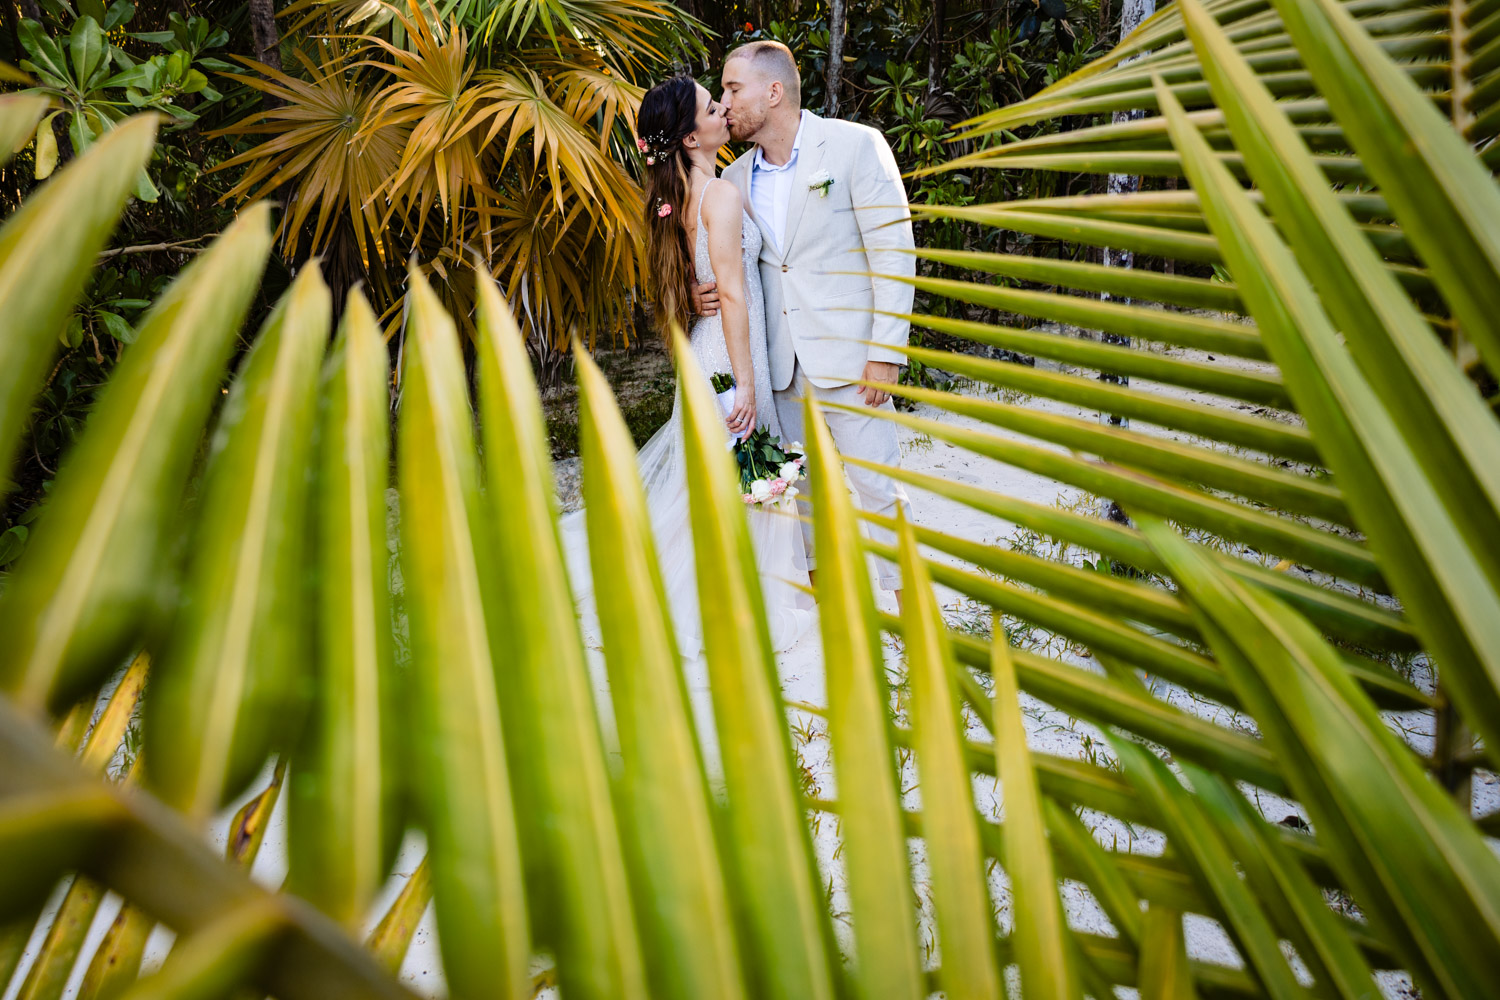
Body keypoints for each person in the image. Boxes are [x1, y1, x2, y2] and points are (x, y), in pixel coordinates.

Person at [563, 74, 815, 656]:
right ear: (689, 136)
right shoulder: (718, 194)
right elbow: (728, 292)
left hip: (705, 357)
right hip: (729, 360)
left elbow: (691, 281)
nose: (723, 109)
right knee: (747, 480)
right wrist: (747, 383)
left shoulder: (681, 197)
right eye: (711, 106)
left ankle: (753, 587)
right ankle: (739, 599)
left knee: (724, 484)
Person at [696, 40, 916, 601]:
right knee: (804, 499)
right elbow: (734, 262)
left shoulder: (854, 147)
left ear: (774, 92)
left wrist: (886, 349)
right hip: (780, 368)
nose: (724, 102)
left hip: (851, 358)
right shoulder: (736, 177)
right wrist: (697, 294)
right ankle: (832, 607)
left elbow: (894, 252)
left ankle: (910, 610)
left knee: (879, 487)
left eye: (732, 88)